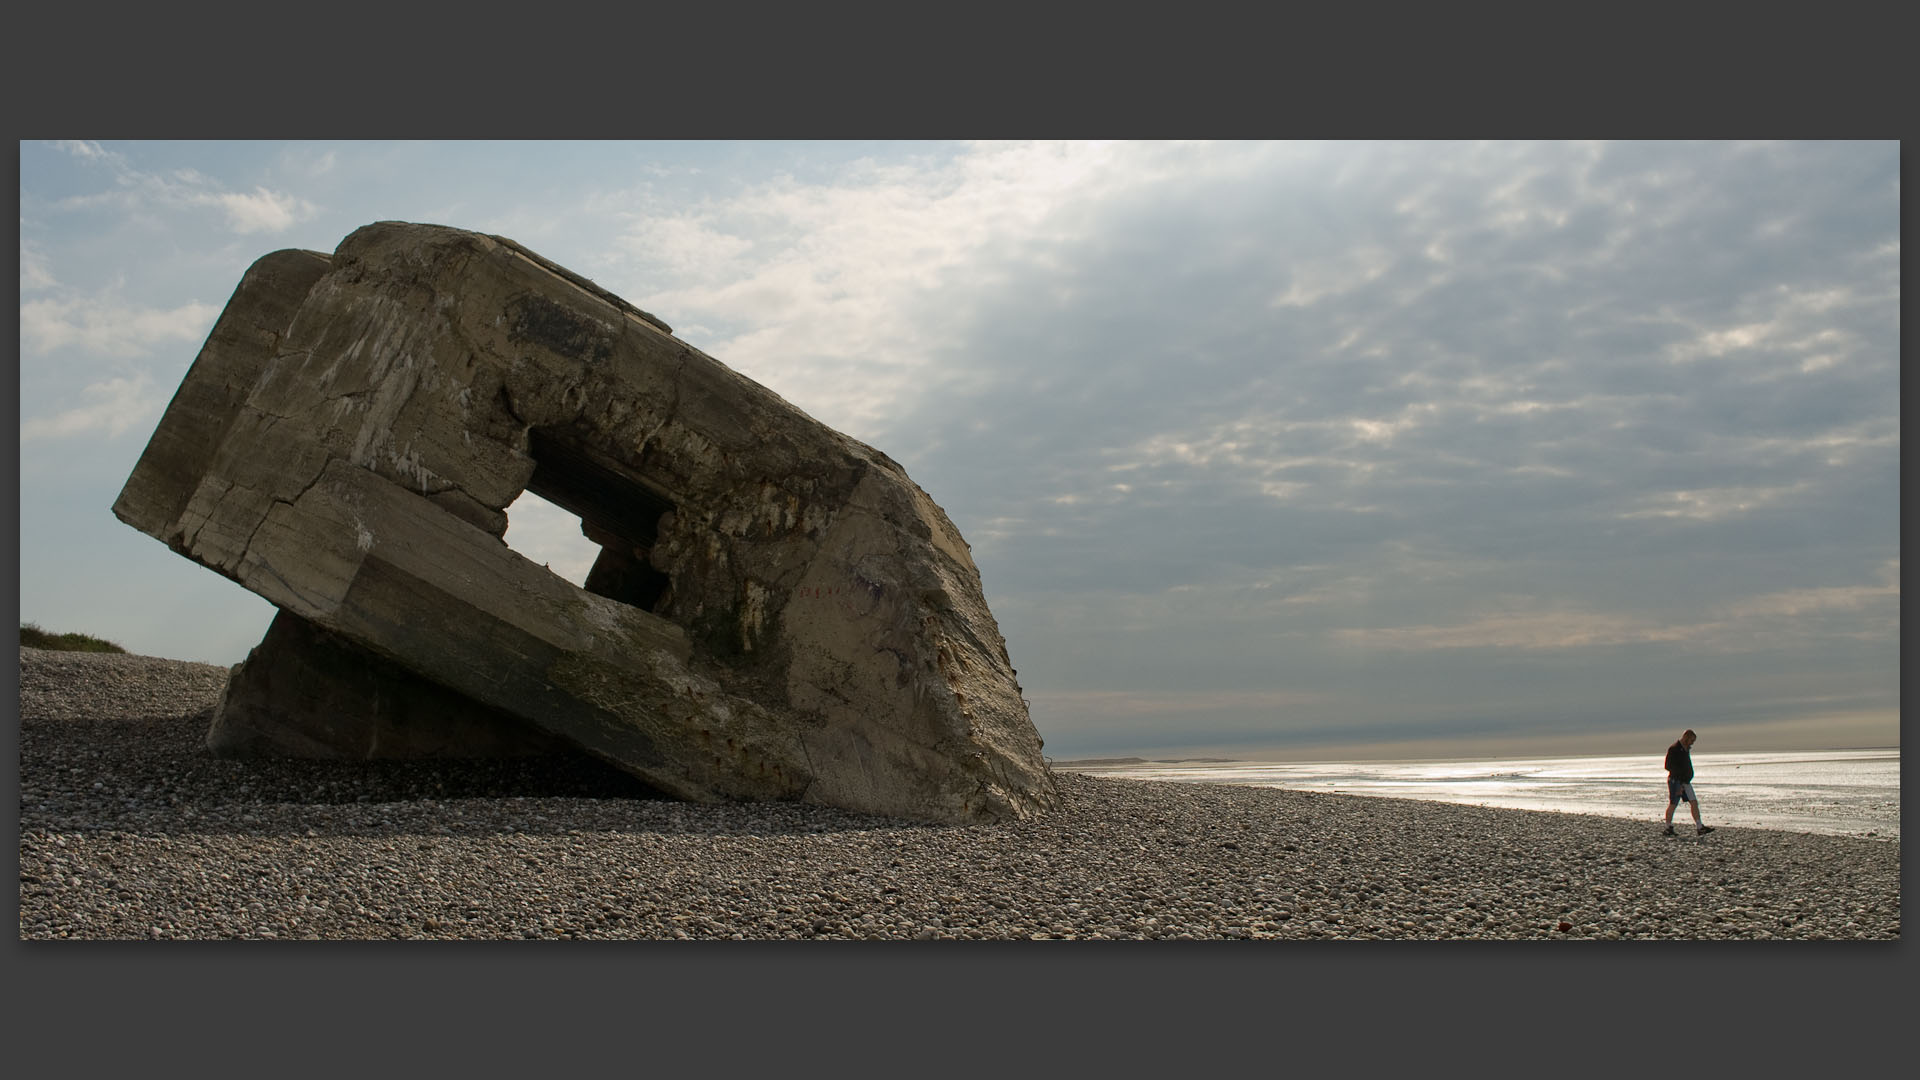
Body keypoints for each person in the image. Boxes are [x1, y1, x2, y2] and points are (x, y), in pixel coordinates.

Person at [1662, 729, 1713, 836]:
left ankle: (1699, 827)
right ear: (1686, 737)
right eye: (1691, 740)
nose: (1692, 743)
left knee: (1694, 802)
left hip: (1686, 781)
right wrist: (1680, 779)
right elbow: (1668, 766)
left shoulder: (1686, 749)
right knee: (1673, 803)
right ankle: (1668, 827)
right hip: (1676, 781)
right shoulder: (1674, 749)